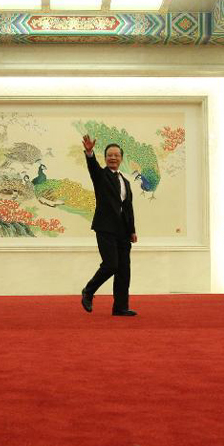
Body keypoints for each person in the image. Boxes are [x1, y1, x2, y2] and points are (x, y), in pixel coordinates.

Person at [80, 135, 138, 316]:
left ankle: (120, 307)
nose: (113, 158)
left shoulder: (125, 182)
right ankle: (88, 291)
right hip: (105, 228)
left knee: (124, 270)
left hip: (123, 231)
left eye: (116, 155)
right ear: (105, 158)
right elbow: (93, 167)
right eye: (109, 155)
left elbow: (128, 207)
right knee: (111, 264)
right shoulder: (101, 176)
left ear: (121, 158)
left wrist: (132, 230)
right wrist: (89, 153)